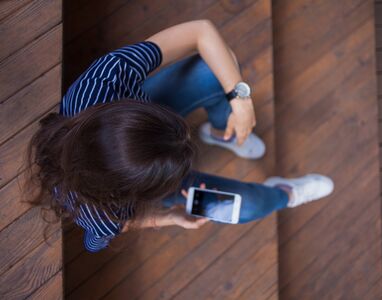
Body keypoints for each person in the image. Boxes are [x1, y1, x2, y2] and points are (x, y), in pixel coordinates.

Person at [26, 20, 334, 252]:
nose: (187, 133)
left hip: (134, 129)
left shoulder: (105, 80)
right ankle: (284, 193)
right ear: (144, 190)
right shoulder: (98, 213)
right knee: (250, 205)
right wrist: (169, 217)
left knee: (216, 71)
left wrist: (240, 99)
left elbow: (201, 31)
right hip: (136, 170)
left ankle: (219, 131)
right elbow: (108, 233)